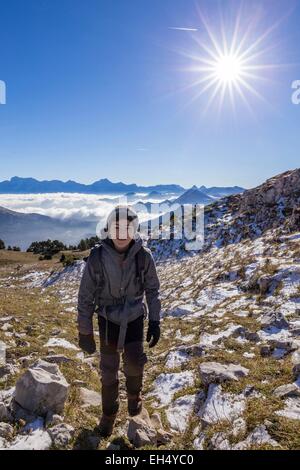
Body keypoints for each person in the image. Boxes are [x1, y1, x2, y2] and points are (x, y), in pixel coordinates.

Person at [77, 205, 161, 437]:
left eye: (127, 227)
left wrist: (154, 321)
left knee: (134, 362)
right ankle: (109, 414)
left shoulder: (144, 256)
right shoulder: (97, 257)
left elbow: (153, 290)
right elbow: (85, 296)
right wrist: (85, 331)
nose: (122, 232)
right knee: (108, 370)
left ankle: (134, 397)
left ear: (134, 230)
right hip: (108, 320)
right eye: (117, 227)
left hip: (134, 317)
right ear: (108, 229)